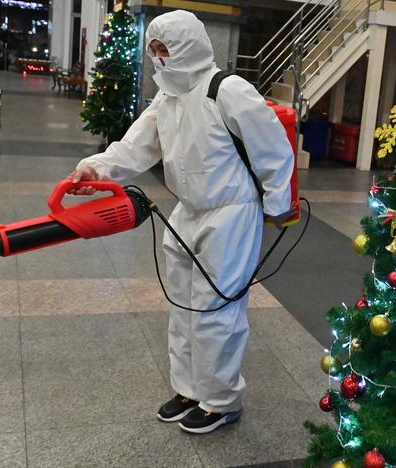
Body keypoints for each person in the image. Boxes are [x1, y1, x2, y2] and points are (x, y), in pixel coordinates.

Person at [69, 9, 295, 434]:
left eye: (165, 49)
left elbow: (274, 149)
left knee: (217, 310)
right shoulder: (167, 98)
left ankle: (222, 400)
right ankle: (190, 388)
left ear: (188, 45)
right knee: (183, 306)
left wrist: (276, 205)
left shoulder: (226, 89)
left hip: (230, 213)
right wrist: (94, 170)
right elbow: (134, 147)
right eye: (154, 49)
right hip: (187, 211)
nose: (159, 57)